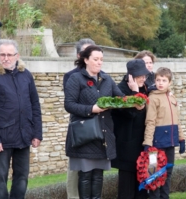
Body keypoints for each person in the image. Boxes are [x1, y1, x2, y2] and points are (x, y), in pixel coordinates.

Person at [64, 45, 141, 199]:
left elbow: (120, 101)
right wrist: (91, 109)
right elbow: (69, 105)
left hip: (103, 135)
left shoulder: (107, 79)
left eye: (101, 59)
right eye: (95, 59)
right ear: (85, 60)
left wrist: (135, 95)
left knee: (98, 175)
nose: (99, 62)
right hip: (85, 135)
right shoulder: (76, 78)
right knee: (85, 176)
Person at [0, 39, 43, 198]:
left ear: (17, 56)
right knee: (0, 180)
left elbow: (34, 104)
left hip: (23, 136)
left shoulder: (25, 74)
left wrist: (37, 133)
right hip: (1, 138)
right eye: (2, 54)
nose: (5, 58)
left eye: (9, 54)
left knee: (22, 179)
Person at [142, 67, 185, 199]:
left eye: (164, 80)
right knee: (155, 174)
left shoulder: (172, 97)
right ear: (154, 81)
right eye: (158, 80)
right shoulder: (153, 98)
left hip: (170, 142)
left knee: (168, 172)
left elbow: (177, 120)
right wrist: (148, 143)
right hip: (156, 143)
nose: (160, 83)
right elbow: (150, 122)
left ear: (169, 82)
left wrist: (181, 138)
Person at [111, 59, 150, 199]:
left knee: (142, 189)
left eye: (144, 75)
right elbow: (129, 113)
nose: (143, 78)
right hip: (126, 147)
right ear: (130, 76)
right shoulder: (120, 89)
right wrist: (134, 92)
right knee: (126, 191)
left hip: (141, 146)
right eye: (140, 76)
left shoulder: (145, 88)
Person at [63, 38, 95, 199]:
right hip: (80, 128)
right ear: (79, 56)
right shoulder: (71, 76)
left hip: (97, 128)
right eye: (86, 52)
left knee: (94, 171)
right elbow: (71, 103)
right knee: (75, 169)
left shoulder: (101, 76)